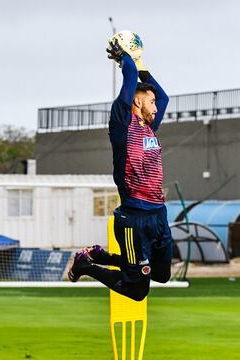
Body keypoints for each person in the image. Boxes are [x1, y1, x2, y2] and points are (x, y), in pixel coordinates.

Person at [68, 38, 172, 301]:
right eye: (150, 103)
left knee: (161, 273)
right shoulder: (122, 124)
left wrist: (141, 64)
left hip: (158, 214)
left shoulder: (150, 127)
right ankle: (86, 265)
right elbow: (128, 81)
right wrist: (126, 58)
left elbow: (164, 96)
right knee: (137, 290)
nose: (156, 107)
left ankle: (102, 256)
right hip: (133, 219)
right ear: (137, 103)